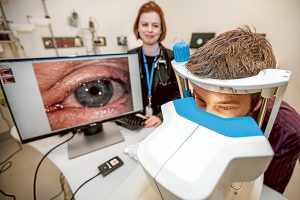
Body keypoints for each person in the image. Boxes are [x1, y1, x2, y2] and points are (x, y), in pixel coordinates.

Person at [185, 26, 300, 194]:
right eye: (201, 100)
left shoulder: (286, 132)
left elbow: (265, 192)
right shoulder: (194, 102)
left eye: (224, 106)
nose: (206, 119)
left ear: (257, 102)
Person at [128, 1, 180, 128]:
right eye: (145, 24)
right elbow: (126, 93)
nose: (150, 30)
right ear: (137, 28)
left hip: (164, 123)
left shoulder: (172, 57)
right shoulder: (130, 57)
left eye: (155, 25)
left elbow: (178, 96)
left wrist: (161, 117)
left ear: (161, 29)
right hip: (137, 122)